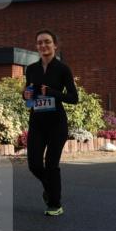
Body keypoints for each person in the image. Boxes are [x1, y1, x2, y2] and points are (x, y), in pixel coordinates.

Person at [23, 29, 78, 216]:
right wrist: (26, 94)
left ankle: (55, 204)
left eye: (47, 42)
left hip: (57, 124)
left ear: (55, 45)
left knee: (51, 164)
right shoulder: (31, 69)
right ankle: (51, 189)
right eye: (39, 42)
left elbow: (73, 98)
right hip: (37, 122)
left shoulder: (63, 69)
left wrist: (52, 92)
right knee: (34, 164)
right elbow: (27, 94)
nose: (43, 45)